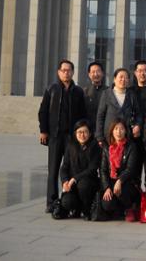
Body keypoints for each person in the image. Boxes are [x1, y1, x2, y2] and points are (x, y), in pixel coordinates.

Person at [38, 59, 87, 213]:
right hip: (55, 136)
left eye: (69, 70)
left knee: (72, 169)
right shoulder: (51, 89)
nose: (66, 73)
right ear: (59, 72)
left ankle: (70, 201)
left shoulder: (78, 91)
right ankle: (51, 202)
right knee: (53, 170)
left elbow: (83, 114)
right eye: (63, 70)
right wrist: (43, 131)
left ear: (73, 72)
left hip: (72, 138)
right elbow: (43, 111)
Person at [54, 119, 100, 219]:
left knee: (83, 185)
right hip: (72, 184)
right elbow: (64, 167)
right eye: (79, 132)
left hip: (89, 182)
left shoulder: (95, 146)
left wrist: (75, 178)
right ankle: (76, 209)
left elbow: (92, 169)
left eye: (85, 132)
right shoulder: (70, 146)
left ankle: (87, 210)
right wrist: (65, 181)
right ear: (75, 133)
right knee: (67, 202)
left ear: (90, 133)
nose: (82, 135)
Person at [98, 118, 141, 220]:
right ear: (112, 131)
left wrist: (119, 180)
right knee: (107, 204)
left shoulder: (131, 146)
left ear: (125, 131)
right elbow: (103, 170)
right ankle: (119, 211)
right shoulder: (107, 147)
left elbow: (130, 169)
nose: (118, 132)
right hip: (111, 182)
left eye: (121, 129)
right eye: (116, 129)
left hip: (128, 182)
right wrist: (107, 187)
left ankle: (129, 208)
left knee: (122, 192)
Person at [95, 68, 142, 145]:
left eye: (126, 78)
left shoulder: (131, 95)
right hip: (109, 136)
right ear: (114, 79)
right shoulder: (106, 94)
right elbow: (100, 116)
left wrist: (138, 125)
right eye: (121, 77)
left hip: (127, 135)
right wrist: (99, 137)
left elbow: (138, 114)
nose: (123, 80)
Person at [84, 61, 106, 131]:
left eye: (98, 71)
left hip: (105, 128)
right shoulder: (84, 92)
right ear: (89, 74)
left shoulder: (109, 91)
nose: (96, 74)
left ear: (102, 73)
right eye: (93, 72)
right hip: (88, 129)